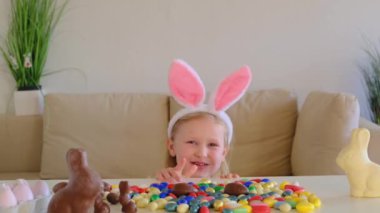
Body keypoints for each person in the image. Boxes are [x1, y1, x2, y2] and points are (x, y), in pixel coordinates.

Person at [156, 59, 252, 183]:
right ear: (171, 147)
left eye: (212, 145)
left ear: (223, 153)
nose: (202, 153)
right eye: (192, 142)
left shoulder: (226, 185)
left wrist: (234, 190)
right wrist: (163, 183)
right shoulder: (163, 181)